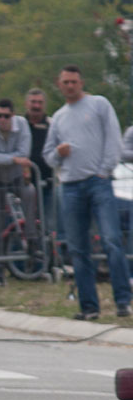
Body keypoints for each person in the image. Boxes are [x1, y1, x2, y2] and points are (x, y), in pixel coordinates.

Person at [44, 65, 131, 319]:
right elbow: (48, 158)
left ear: (81, 83)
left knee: (112, 240)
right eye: (65, 82)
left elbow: (114, 140)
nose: (70, 86)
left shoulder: (99, 105)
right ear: (59, 85)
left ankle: (123, 300)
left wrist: (104, 170)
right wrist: (57, 154)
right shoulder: (58, 117)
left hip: (98, 183)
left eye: (73, 81)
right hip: (70, 187)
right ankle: (89, 307)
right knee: (78, 249)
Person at [0, 98, 32, 285]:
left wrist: (5, 160)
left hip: (17, 178)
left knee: (31, 201)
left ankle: (33, 248)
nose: (1, 119)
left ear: (13, 115)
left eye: (6, 116)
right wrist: (14, 159)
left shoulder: (22, 125)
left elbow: (24, 152)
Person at [23, 88, 54, 236]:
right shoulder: (20, 124)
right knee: (24, 225)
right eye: (33, 102)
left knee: (48, 225)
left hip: (47, 184)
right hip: (24, 185)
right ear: (26, 104)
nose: (36, 106)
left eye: (40, 102)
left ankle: (49, 256)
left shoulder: (52, 125)